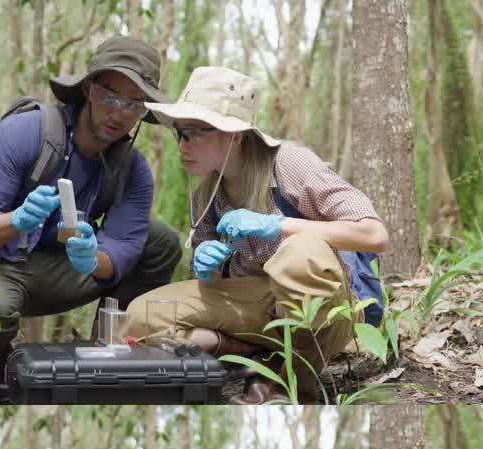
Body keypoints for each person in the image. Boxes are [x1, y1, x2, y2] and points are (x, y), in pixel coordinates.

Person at [125, 67, 390, 404]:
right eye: (180, 133)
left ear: (233, 135)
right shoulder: (206, 194)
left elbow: (374, 234)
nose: (183, 146)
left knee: (300, 255)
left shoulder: (289, 163)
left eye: (195, 133)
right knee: (140, 316)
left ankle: (291, 381)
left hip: (326, 308)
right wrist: (207, 268)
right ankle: (246, 350)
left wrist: (278, 226)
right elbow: (209, 288)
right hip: (257, 310)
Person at [0, 37, 183, 393]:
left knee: (160, 241)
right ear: (88, 89)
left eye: (133, 104)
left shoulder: (132, 169)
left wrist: (92, 259)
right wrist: (17, 219)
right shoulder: (25, 132)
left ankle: (107, 351)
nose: (119, 113)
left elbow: (124, 248)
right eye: (109, 97)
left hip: (55, 268)